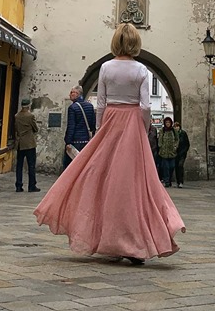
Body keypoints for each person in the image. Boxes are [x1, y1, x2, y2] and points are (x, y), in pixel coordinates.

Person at [34, 23, 184, 263]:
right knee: (137, 184)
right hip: (133, 123)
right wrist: (143, 128)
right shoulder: (141, 70)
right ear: (136, 42)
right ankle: (136, 242)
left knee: (101, 180)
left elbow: (100, 104)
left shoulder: (105, 68)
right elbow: (146, 106)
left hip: (111, 121)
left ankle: (107, 238)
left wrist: (102, 130)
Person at [62, 84, 96, 171]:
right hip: (86, 141)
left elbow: (71, 126)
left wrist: (68, 142)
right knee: (83, 167)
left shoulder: (72, 108)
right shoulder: (90, 106)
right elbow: (93, 125)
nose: (70, 94)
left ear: (77, 94)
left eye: (71, 92)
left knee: (70, 167)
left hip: (75, 141)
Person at [14, 97, 39, 192]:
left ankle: (18, 185)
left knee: (19, 165)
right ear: (28, 106)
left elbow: (16, 128)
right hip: (29, 144)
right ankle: (32, 185)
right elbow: (35, 128)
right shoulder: (30, 116)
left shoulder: (17, 116)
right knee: (31, 165)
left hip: (20, 144)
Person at [158, 117, 178, 187]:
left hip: (172, 152)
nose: (168, 124)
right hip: (164, 152)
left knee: (172, 166)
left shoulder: (173, 130)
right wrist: (160, 146)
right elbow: (160, 139)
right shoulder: (162, 130)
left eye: (169, 122)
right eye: (166, 123)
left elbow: (177, 139)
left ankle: (169, 179)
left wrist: (175, 147)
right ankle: (166, 181)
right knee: (165, 167)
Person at [173, 121, 190, 188]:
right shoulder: (173, 134)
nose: (176, 128)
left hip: (182, 153)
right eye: (175, 126)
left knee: (180, 166)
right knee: (176, 167)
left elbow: (187, 144)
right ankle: (178, 181)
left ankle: (181, 181)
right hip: (175, 154)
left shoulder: (183, 133)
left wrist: (184, 151)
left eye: (177, 126)